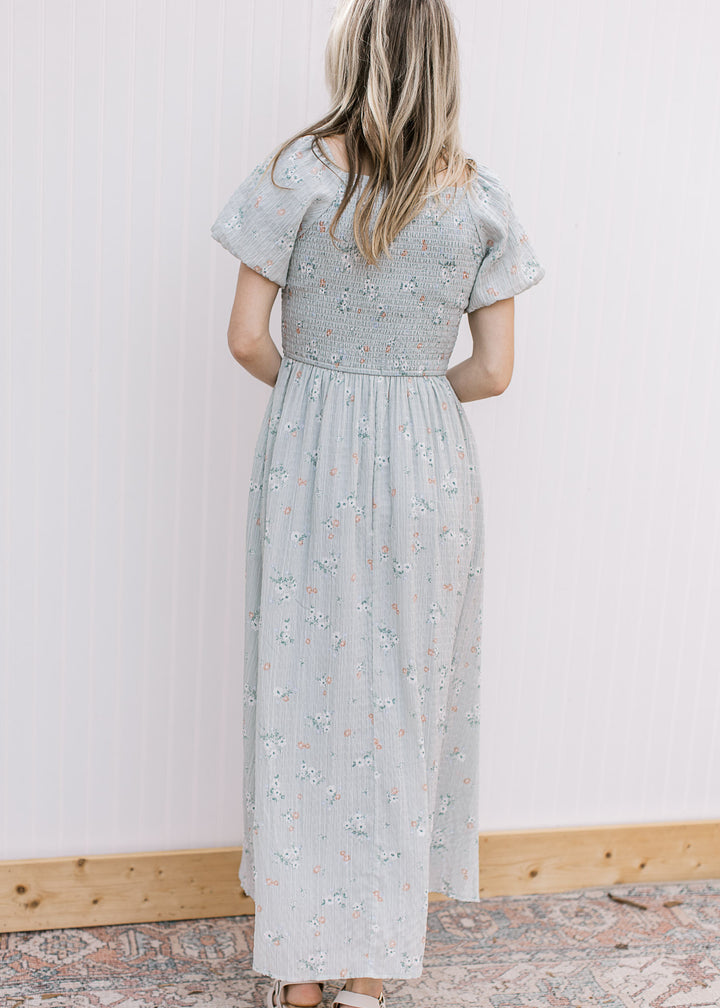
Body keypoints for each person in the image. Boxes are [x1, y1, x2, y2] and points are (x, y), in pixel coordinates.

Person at [210, 1, 545, 1005]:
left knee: (302, 707)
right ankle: (368, 970)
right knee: (404, 707)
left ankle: (299, 976)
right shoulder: (480, 198)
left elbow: (243, 339)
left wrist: (324, 390)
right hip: (431, 465)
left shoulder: (296, 177)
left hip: (311, 450)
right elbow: (493, 373)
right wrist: (407, 395)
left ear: (350, 57)